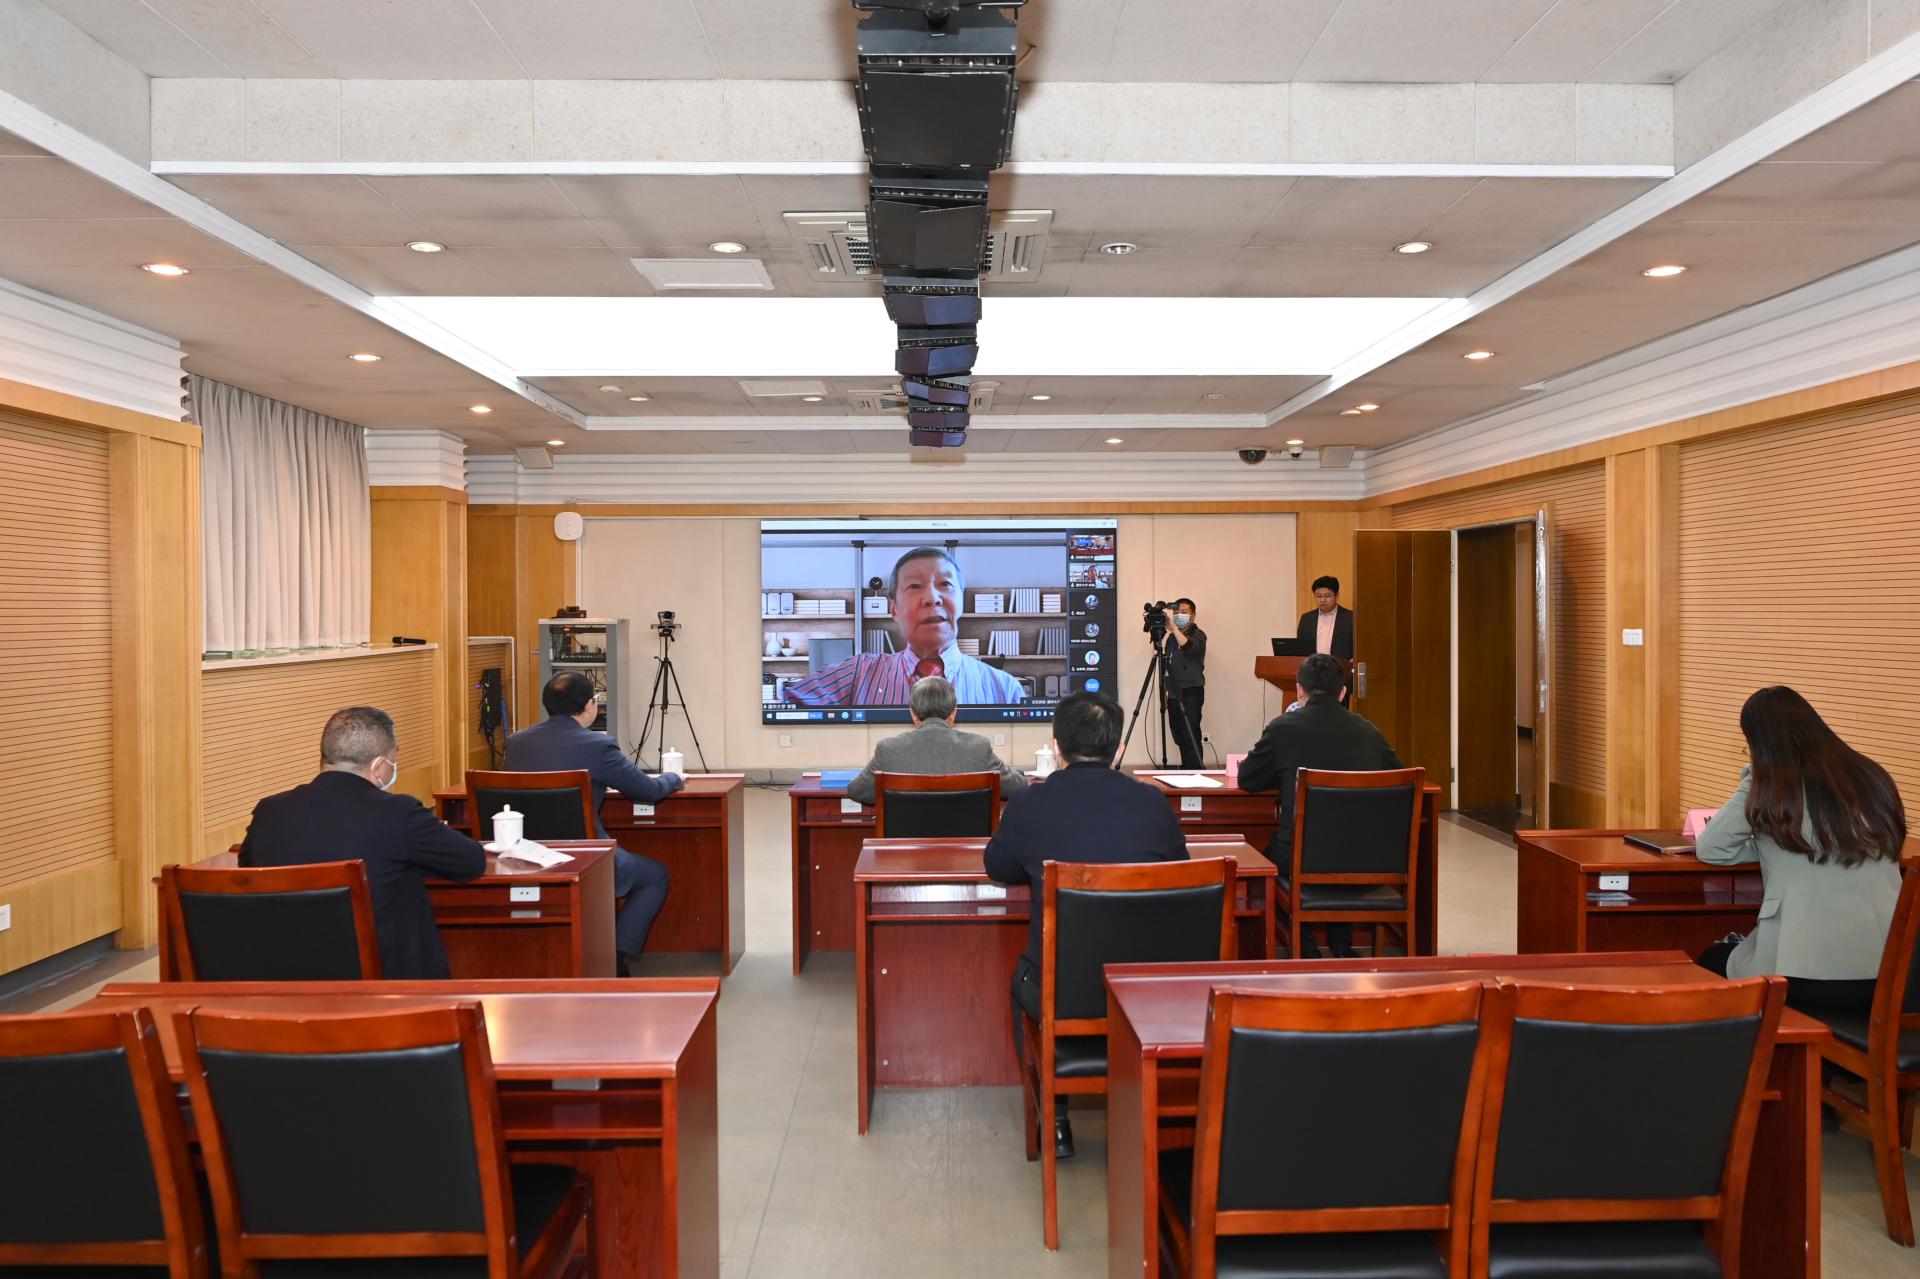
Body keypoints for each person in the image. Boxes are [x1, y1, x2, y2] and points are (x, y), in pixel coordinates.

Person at [984, 691, 1187, 1158]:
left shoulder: (1030, 803)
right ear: (1118, 749)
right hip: (1142, 988)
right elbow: (1179, 872)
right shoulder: (1153, 804)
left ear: (1056, 747)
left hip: (1061, 990)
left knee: (1023, 978)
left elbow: (997, 866)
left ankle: (1054, 1117)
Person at [1694, 686, 1905, 1014]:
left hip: (1804, 979)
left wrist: (1754, 778)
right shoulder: (1872, 776)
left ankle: (1768, 1048)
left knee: (1710, 960)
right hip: (1894, 981)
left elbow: (1711, 849)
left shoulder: (1771, 782)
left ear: (1759, 743)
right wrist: (1770, 849)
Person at [241, 706, 485, 980]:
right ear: (379, 766)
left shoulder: (269, 811)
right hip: (387, 987)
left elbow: (248, 868)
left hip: (287, 980)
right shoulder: (398, 813)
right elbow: (471, 862)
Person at [504, 671, 684, 972]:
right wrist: (673, 778)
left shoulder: (516, 743)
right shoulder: (597, 746)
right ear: (590, 705)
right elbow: (648, 791)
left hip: (525, 856)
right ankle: (615, 958)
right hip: (584, 859)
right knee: (655, 876)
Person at [1237, 652, 1404, 957]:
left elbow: (1248, 779)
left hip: (1301, 860)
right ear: (1343, 692)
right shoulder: (1369, 732)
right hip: (1366, 860)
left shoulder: (1283, 728)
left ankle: (1305, 945)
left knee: (1265, 864)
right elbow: (1398, 779)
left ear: (1299, 690)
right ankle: (1341, 946)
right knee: (1339, 848)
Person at [784, 546, 1027, 707]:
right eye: (915, 586)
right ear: (894, 610)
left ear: (962, 602)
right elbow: (785, 707)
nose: (932, 598)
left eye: (945, 584)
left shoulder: (1005, 688)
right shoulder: (858, 674)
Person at [845, 676, 1028, 806]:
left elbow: (857, 791)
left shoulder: (888, 749)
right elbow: (1019, 787)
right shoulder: (978, 747)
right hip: (964, 848)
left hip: (907, 849)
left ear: (913, 714)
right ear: (953, 713)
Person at [1295, 574, 1354, 704]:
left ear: (1336, 596)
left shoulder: (1350, 618)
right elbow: (1300, 647)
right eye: (1318, 596)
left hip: (1340, 675)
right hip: (1313, 675)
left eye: (1327, 596)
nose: (1322, 600)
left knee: (1337, 712)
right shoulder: (1307, 619)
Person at [1162, 597, 1206, 769]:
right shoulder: (1171, 639)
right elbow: (1168, 666)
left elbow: (1189, 647)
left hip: (1190, 691)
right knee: (1179, 734)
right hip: (1174, 691)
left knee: (1190, 733)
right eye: (1176, 612)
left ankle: (1195, 770)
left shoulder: (1198, 635)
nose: (1179, 615)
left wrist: (1173, 628)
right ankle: (1186, 767)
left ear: (1193, 616)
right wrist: (1166, 691)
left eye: (1184, 612)